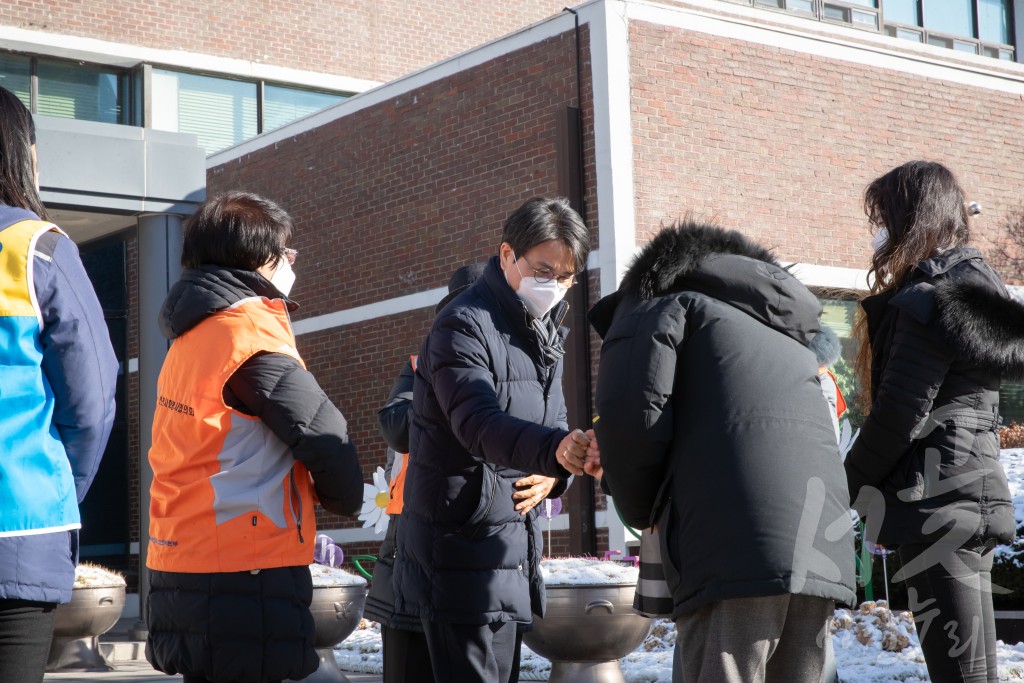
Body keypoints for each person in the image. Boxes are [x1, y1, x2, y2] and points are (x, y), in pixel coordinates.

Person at [589, 221, 855, 683]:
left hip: (732, 537)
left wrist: (633, 502)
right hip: (819, 540)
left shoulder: (657, 305)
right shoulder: (782, 327)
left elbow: (631, 422)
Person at [144, 192, 364, 683]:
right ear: (258, 258)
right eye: (284, 253)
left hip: (182, 556)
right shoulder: (246, 335)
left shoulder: (189, 337)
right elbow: (323, 432)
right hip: (247, 568)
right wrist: (344, 497)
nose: (289, 263)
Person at [393, 196, 593, 682]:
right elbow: (477, 424)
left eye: (566, 277)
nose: (555, 287)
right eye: (543, 271)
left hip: (510, 550)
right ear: (507, 255)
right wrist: (553, 452)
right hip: (458, 549)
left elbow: (555, 426)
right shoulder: (462, 324)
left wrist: (556, 473)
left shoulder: (543, 333)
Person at [844, 161, 1023, 683]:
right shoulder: (979, 289)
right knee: (975, 674)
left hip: (936, 506)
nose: (880, 231)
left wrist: (846, 487)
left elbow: (900, 414)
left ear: (912, 218)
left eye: (885, 217)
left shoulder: (931, 298)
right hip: (971, 499)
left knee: (961, 675)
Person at [366, 262, 562, 683]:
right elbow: (395, 424)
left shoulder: (529, 364)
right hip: (417, 539)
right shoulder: (428, 359)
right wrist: (452, 402)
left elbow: (556, 433)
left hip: (499, 549)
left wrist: (553, 473)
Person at [0, 86, 118, 683]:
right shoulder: (33, 247)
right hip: (17, 528)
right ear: (19, 154)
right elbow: (92, 399)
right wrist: (60, 490)